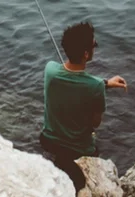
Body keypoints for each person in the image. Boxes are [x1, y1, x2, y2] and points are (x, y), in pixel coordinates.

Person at [41, 21, 128, 192]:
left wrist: (106, 83)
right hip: (79, 148)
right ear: (86, 54)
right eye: (94, 45)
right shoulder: (95, 87)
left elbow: (73, 80)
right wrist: (102, 87)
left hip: (48, 141)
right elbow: (95, 123)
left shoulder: (50, 70)